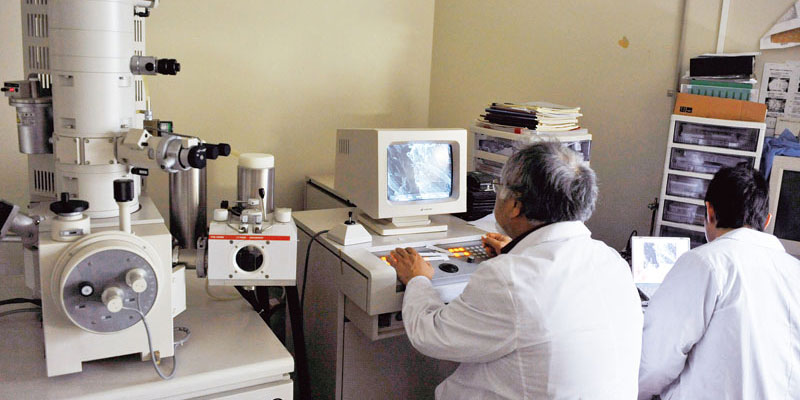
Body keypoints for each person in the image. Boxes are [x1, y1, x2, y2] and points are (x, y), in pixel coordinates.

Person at [388, 142, 643, 399]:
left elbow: (430, 335)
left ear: (515, 206)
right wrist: (518, 251)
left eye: (500, 188)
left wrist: (418, 278)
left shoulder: (509, 277)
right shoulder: (612, 261)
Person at [638, 165, 800, 399]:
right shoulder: (794, 271)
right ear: (766, 221)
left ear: (710, 212)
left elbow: (654, 362)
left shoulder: (706, 263)